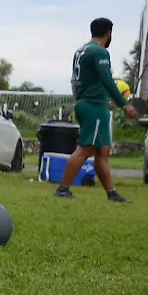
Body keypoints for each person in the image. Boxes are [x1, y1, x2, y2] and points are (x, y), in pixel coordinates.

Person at [55, 17, 137, 201]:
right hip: (93, 107)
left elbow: (77, 81)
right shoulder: (99, 52)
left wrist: (95, 100)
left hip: (88, 103)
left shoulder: (81, 51)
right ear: (108, 33)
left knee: (102, 150)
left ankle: (112, 193)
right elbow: (107, 79)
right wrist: (124, 104)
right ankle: (62, 189)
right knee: (86, 148)